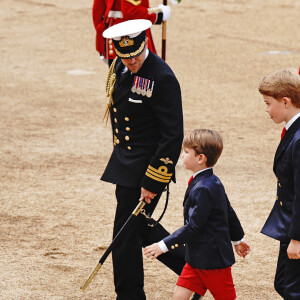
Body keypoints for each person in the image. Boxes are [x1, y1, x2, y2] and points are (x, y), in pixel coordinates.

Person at [100, 19, 201, 300]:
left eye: (135, 55)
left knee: (124, 237)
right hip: (125, 164)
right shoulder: (119, 66)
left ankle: (129, 295)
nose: (131, 61)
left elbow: (172, 135)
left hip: (146, 169)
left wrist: (152, 182)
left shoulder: (162, 78)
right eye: (125, 56)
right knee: (142, 230)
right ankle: (196, 273)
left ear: (145, 43)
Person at [144, 129, 251, 300]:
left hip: (212, 260)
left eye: (186, 152)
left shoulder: (204, 188)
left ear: (200, 158)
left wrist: (163, 245)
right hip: (196, 257)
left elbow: (193, 226)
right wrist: (237, 239)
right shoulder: (211, 182)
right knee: (180, 294)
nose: (182, 156)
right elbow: (228, 212)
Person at [259, 68, 300, 299]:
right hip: (289, 226)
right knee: (283, 284)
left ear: (285, 101)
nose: (266, 110)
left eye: (268, 103)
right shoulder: (293, 131)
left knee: (292, 289)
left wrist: (297, 238)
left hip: (296, 229)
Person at [92, 0, 171, 65]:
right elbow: (131, 11)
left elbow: (97, 12)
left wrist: (103, 40)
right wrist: (158, 15)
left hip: (114, 35)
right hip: (132, 35)